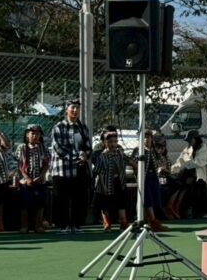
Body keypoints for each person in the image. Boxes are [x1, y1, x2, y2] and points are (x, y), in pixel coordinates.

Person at [49, 100, 91, 234]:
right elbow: (58, 148)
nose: (75, 110)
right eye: (72, 108)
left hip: (79, 169)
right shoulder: (58, 127)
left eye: (77, 108)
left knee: (79, 198)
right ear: (67, 110)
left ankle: (76, 225)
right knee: (62, 199)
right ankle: (63, 226)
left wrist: (85, 155)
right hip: (63, 169)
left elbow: (88, 146)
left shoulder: (83, 128)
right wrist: (77, 156)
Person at [92, 129, 128, 232]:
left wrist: (137, 165)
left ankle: (123, 223)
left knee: (121, 203)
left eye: (115, 142)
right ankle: (107, 223)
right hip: (105, 184)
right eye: (110, 142)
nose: (113, 144)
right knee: (105, 205)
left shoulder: (119, 153)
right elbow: (97, 172)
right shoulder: (102, 156)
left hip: (118, 182)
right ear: (105, 143)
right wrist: (103, 187)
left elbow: (128, 161)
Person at [16, 125, 50, 233]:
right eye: (32, 133)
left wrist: (41, 176)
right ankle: (24, 226)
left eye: (37, 133)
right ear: (27, 135)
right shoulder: (22, 147)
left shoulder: (43, 148)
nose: (35, 136)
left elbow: (46, 164)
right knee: (25, 204)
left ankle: (38, 226)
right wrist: (27, 178)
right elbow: (19, 164)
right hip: (25, 181)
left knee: (40, 203)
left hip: (39, 180)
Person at [168, 130, 207, 219]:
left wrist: (186, 163)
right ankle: (182, 210)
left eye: (191, 140)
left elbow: (198, 163)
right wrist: (171, 169)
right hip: (188, 175)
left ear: (196, 139)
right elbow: (179, 162)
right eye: (188, 141)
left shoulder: (202, 147)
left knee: (200, 189)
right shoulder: (187, 150)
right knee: (184, 188)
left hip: (198, 175)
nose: (189, 142)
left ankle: (203, 213)